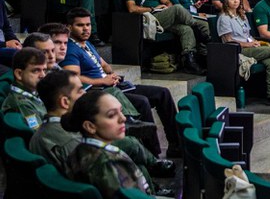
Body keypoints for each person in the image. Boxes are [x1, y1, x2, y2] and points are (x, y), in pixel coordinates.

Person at [59, 8, 180, 157]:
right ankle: (153, 154)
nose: (86, 29)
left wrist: (111, 74)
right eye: (80, 25)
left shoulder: (87, 44)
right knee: (142, 102)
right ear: (70, 27)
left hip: (113, 85)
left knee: (163, 93)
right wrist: (102, 80)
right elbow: (73, 77)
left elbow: (104, 65)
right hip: (100, 92)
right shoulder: (70, 49)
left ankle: (176, 145)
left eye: (88, 25)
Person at [31, 69, 175, 193]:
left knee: (136, 160)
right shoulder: (77, 148)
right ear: (64, 102)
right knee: (130, 146)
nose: (85, 94)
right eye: (80, 90)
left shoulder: (51, 129)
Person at [62, 91, 160, 197]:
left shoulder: (79, 150)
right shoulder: (108, 163)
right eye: (111, 115)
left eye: (121, 111)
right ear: (90, 126)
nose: (123, 118)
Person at [124, 0, 208, 74]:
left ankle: (189, 61)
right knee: (178, 8)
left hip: (162, 17)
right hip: (150, 18)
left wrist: (164, 7)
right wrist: (153, 9)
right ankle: (196, 27)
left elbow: (168, 2)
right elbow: (132, 8)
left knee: (186, 29)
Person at [218, 0, 270, 106]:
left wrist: (255, 42)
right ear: (226, 1)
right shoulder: (224, 18)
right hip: (237, 51)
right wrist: (249, 44)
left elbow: (248, 36)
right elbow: (228, 41)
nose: (236, 1)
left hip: (249, 47)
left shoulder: (241, 15)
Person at [1, 48, 47, 129]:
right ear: (19, 74)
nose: (43, 75)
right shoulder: (23, 104)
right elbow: (40, 136)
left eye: (44, 70)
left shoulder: (35, 92)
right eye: (36, 70)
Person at [0, 0, 22, 66]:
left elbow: (6, 27)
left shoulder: (0, 1)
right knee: (18, 56)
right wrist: (5, 44)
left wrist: (16, 42)